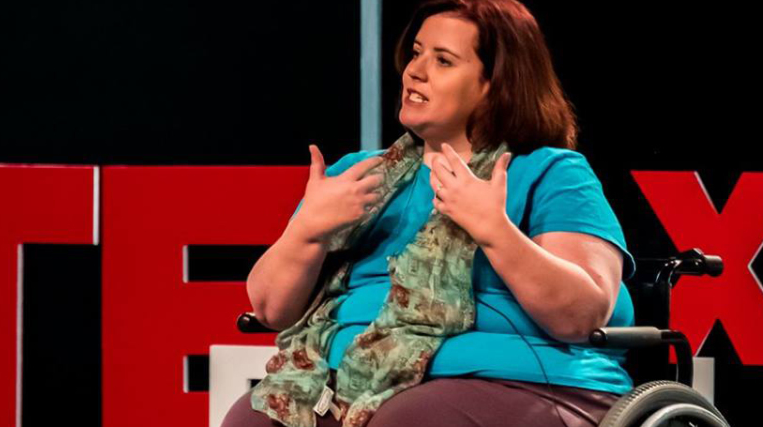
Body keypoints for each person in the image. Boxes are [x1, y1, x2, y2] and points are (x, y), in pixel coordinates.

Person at [223, 1, 636, 426]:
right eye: (417, 52)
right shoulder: (356, 177)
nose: (415, 71)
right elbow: (270, 309)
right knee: (250, 419)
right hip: (353, 385)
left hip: (526, 383)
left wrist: (495, 230)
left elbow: (581, 315)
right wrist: (306, 232)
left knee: (407, 419)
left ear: (496, 84)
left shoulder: (550, 172)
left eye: (443, 60)